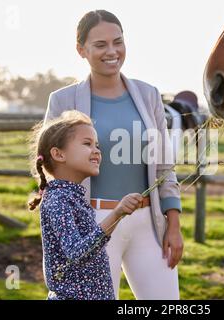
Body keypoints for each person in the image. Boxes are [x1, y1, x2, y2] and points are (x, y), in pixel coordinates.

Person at [44, 10, 183, 299]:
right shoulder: (62, 100)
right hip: (93, 223)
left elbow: (164, 166)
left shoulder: (148, 95)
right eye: (100, 45)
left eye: (118, 42)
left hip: (148, 222)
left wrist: (173, 224)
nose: (112, 51)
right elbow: (50, 164)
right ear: (81, 50)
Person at [28, 110, 143, 300]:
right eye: (87, 144)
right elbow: (77, 252)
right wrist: (116, 214)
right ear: (58, 154)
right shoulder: (58, 200)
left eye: (97, 145)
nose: (97, 150)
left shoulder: (73, 196)